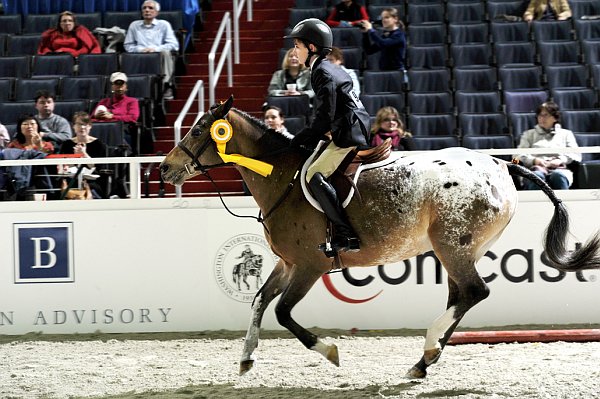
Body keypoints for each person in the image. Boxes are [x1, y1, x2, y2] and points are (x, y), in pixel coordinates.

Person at [286, 18, 370, 255]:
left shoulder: (322, 72)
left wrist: (299, 138)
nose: (294, 52)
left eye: (297, 46)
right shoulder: (327, 68)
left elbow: (324, 117)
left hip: (349, 131)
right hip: (348, 125)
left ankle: (345, 233)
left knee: (314, 174)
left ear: (311, 47)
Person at [514, 101, 580, 190]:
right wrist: (534, 160)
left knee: (558, 176)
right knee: (537, 176)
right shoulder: (528, 134)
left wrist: (560, 160)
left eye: (545, 115)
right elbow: (516, 156)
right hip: (535, 168)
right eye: (540, 115)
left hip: (559, 169)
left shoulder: (566, 134)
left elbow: (576, 155)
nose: (541, 118)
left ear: (555, 118)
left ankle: (562, 203)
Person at [124, 0, 180, 100]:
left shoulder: (164, 25)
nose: (147, 10)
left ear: (157, 12)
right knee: (126, 56)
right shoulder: (134, 25)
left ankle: (167, 85)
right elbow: (128, 45)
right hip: (140, 56)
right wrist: (141, 50)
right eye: (144, 8)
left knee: (166, 53)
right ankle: (131, 87)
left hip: (159, 55)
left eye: (150, 8)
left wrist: (155, 49)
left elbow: (174, 45)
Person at [60, 112, 107, 198]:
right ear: (73, 126)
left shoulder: (99, 144)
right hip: (71, 179)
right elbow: (64, 166)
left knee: (91, 189)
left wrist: (84, 154)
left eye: (85, 124)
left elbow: (98, 167)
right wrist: (75, 157)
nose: (82, 127)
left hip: (92, 180)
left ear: (90, 126)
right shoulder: (67, 144)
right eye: (78, 124)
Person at [91, 72, 140, 148]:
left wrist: (112, 116)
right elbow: (91, 118)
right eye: (116, 84)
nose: (119, 87)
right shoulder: (103, 102)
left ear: (126, 86)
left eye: (122, 84)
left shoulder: (132, 101)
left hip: (121, 132)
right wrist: (97, 116)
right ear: (112, 87)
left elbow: (133, 117)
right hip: (102, 132)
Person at [37, 11, 102, 57]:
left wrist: (73, 55)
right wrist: (52, 54)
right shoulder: (52, 34)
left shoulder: (81, 31)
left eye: (70, 21)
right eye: (64, 21)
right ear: (60, 23)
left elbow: (86, 48)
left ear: (74, 23)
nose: (67, 23)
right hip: (55, 58)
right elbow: (45, 48)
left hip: (75, 58)